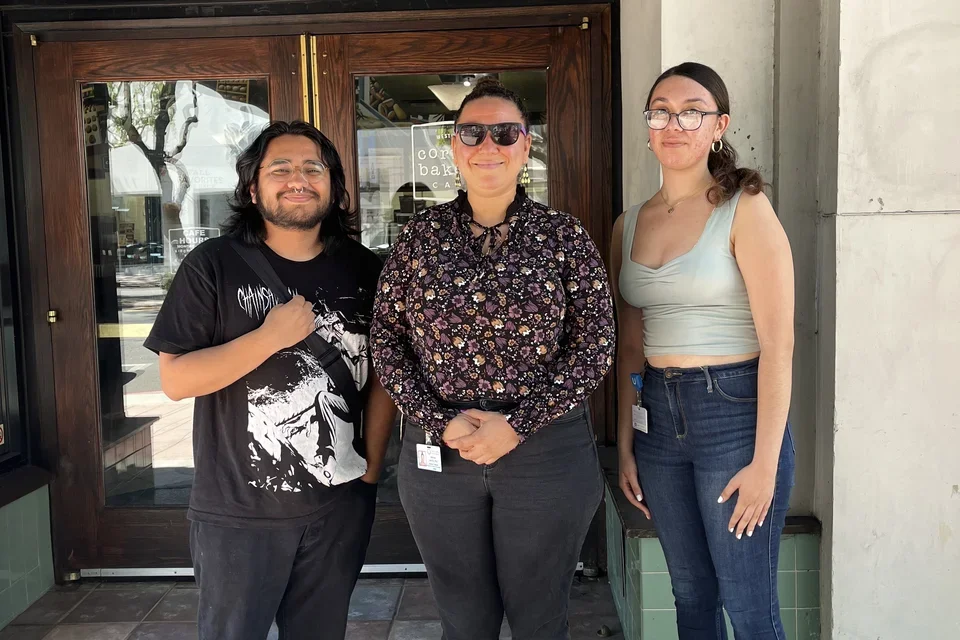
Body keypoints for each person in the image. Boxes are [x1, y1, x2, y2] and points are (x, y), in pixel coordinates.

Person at [370, 77, 615, 640]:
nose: (489, 145)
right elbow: (387, 340)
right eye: (473, 132)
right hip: (441, 451)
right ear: (453, 147)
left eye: (505, 133)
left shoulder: (564, 237)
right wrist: (440, 419)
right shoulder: (419, 238)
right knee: (464, 620)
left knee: (539, 618)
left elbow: (596, 344)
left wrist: (519, 424)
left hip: (545, 451)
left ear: (526, 146)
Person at [145, 120, 396, 640]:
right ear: (252, 187)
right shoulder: (211, 265)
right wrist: (268, 338)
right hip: (237, 515)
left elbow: (384, 379)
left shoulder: (365, 269)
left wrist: (368, 475)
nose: (297, 179)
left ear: (333, 183)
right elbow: (175, 379)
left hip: (339, 508)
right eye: (279, 168)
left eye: (312, 168)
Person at [613, 62, 796, 639]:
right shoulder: (628, 224)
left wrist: (766, 463)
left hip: (734, 414)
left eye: (691, 111)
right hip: (658, 424)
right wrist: (625, 443)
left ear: (718, 125)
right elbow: (631, 347)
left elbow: (779, 344)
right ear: (647, 127)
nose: (675, 123)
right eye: (661, 111)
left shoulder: (745, 207)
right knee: (690, 597)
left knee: (748, 607)